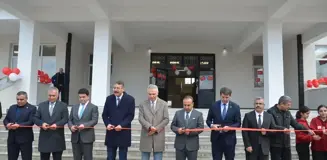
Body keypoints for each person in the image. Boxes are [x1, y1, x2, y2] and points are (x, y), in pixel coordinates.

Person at [267, 95, 314, 160]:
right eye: (288, 105)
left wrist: (307, 130)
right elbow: (272, 126)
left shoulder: (287, 113)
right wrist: (283, 129)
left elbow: (296, 124)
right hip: (275, 143)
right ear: (281, 104)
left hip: (286, 143)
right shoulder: (271, 112)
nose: (290, 107)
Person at [102, 80, 135, 160]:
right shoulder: (109, 99)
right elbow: (104, 115)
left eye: (118, 88)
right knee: (110, 156)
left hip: (123, 131)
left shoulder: (130, 99)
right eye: (114, 88)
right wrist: (108, 124)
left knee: (122, 156)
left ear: (123, 89)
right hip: (111, 132)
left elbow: (130, 116)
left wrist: (121, 125)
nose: (115, 90)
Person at [34, 87, 69, 160]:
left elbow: (65, 118)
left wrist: (57, 124)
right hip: (45, 137)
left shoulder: (63, 105)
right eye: (50, 95)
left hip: (57, 137)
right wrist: (42, 124)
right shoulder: (42, 105)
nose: (51, 97)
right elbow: (35, 118)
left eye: (53, 95)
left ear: (57, 95)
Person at [206, 87, 241, 160]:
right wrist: (212, 125)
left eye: (227, 97)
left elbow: (238, 123)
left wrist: (230, 127)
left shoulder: (235, 107)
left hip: (230, 139)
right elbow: (208, 120)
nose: (225, 99)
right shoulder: (214, 106)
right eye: (223, 97)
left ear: (230, 96)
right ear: (220, 95)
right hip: (216, 139)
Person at [138, 84, 169, 160]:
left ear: (157, 93)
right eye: (149, 94)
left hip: (158, 135)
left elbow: (166, 119)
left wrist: (156, 128)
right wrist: (149, 127)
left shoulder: (164, 104)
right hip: (146, 134)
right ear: (147, 93)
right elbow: (140, 118)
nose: (151, 96)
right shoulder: (142, 104)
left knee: (158, 157)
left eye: (153, 94)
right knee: (144, 157)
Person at [3, 91, 36, 160]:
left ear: (26, 99)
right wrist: (7, 124)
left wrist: (19, 125)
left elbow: (31, 121)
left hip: (25, 139)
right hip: (12, 139)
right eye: (17, 99)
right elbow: (6, 119)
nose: (19, 101)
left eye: (21, 99)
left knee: (26, 158)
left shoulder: (32, 108)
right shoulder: (12, 107)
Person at [68, 88, 99, 160]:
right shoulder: (74, 107)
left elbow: (94, 120)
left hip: (87, 137)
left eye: (83, 97)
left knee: (87, 157)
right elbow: (70, 120)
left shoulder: (93, 107)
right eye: (80, 97)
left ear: (88, 97)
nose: (81, 99)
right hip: (75, 137)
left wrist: (84, 126)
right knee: (76, 157)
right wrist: (71, 127)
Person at [171, 95, 204, 160]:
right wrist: (178, 130)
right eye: (184, 105)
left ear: (193, 104)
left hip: (192, 145)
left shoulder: (198, 114)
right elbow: (172, 126)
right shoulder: (178, 113)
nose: (186, 107)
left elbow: (201, 128)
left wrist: (190, 132)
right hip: (180, 145)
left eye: (188, 105)